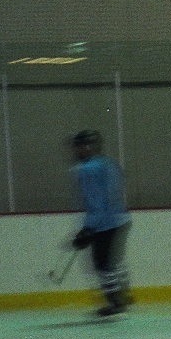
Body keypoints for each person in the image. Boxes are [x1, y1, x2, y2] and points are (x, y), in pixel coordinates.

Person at [69, 129, 133, 317]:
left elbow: (96, 201)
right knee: (115, 259)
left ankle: (115, 301)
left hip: (104, 223)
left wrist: (88, 228)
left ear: (88, 147)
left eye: (79, 147)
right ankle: (124, 291)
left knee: (102, 263)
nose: (77, 151)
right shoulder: (109, 163)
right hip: (122, 218)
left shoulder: (87, 169)